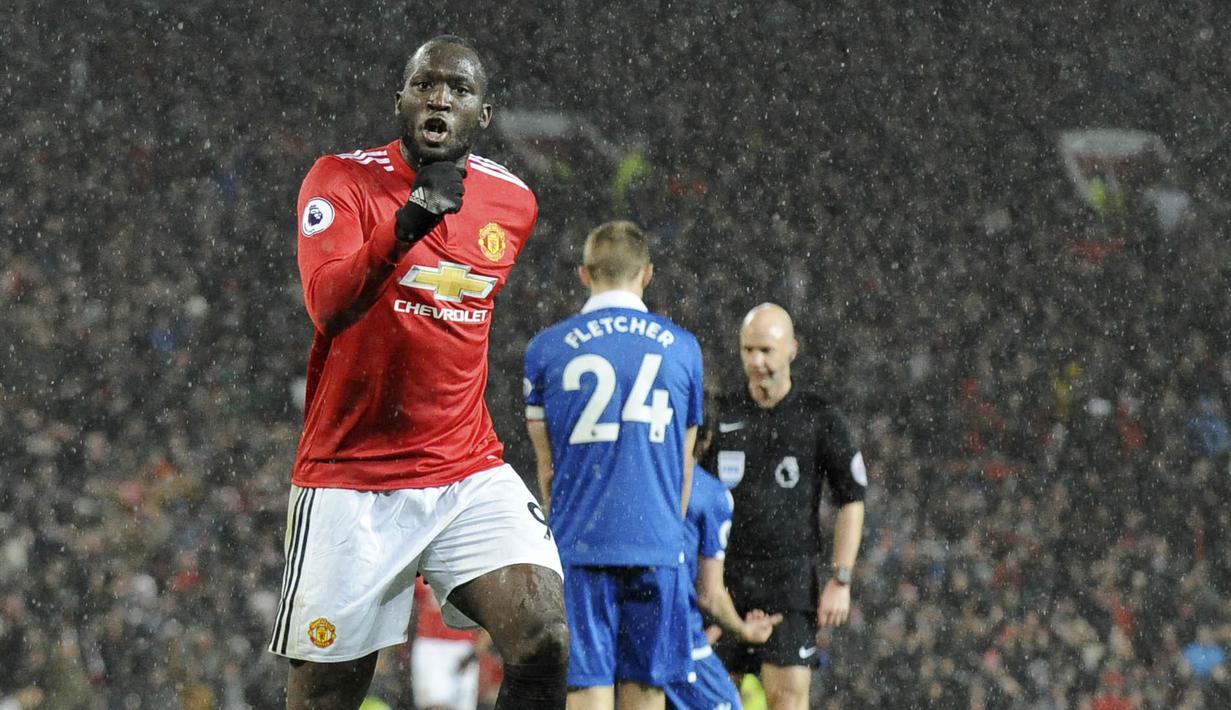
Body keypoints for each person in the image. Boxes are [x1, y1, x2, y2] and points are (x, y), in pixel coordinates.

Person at [269, 35, 567, 710]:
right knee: (328, 694)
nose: (440, 97)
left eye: (459, 90)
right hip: (353, 478)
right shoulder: (339, 179)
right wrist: (405, 224)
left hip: (464, 467)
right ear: (400, 99)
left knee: (545, 637)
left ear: (483, 114)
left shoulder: (512, 202)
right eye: (425, 84)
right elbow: (328, 306)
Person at [524, 220, 704, 710]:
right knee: (646, 692)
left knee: (585, 690)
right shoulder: (683, 348)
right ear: (647, 274)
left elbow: (548, 469)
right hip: (657, 544)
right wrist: (668, 534)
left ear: (584, 274)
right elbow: (685, 466)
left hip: (582, 543)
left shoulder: (546, 349)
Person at [700, 304, 868, 710]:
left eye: (766, 350)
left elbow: (852, 497)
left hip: (789, 584)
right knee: (712, 699)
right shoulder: (720, 415)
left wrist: (841, 580)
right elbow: (691, 494)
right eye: (748, 350)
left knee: (787, 699)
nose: (756, 361)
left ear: (791, 350)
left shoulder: (818, 417)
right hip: (725, 581)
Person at [665, 414, 782, 710]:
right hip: (677, 638)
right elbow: (710, 596)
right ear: (704, 441)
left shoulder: (634, 482)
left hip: (618, 632)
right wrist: (744, 630)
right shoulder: (711, 495)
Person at [411, 577, 490, 710]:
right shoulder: (423, 571)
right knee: (433, 705)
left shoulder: (473, 573)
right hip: (430, 647)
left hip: (464, 648)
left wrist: (476, 651)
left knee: (463, 706)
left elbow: (490, 613)